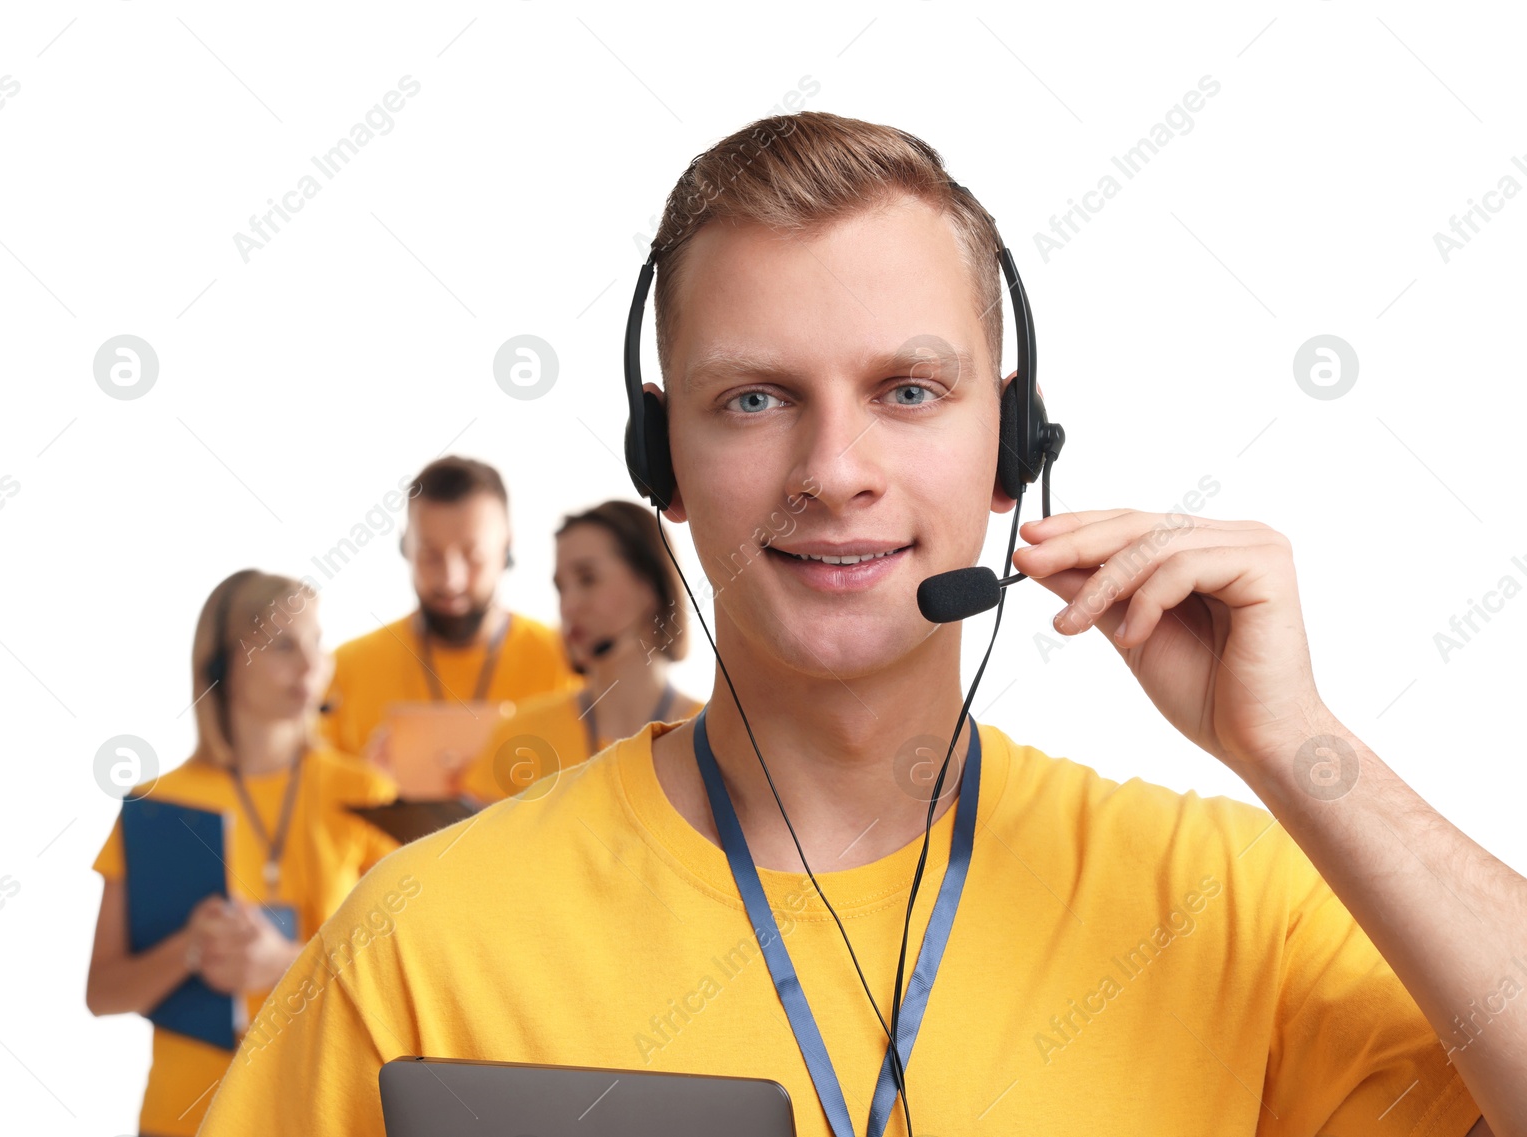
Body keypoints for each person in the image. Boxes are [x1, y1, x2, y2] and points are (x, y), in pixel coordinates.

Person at [197, 112, 1519, 1134]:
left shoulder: (1230, 900)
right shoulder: (423, 941)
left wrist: (1299, 746)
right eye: (756, 399)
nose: (836, 469)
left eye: (906, 389)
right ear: (662, 458)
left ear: (1014, 441)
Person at [86, 570, 400, 1137]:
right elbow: (103, 992)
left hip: (320, 1114)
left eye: (317, 643)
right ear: (221, 667)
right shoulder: (156, 806)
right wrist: (189, 948)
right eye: (283, 645)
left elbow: (401, 978)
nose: (311, 666)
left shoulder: (367, 792)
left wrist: (283, 961)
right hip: (184, 1120)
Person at [318, 455, 582, 764]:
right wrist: (364, 784)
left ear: (506, 547)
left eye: (473, 555)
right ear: (405, 547)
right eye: (430, 555)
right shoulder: (343, 672)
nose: (450, 580)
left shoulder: (568, 664)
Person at [461, 500, 703, 804]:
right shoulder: (520, 737)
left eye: (588, 579)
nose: (568, 605)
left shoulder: (715, 740)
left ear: (651, 585)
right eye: (561, 587)